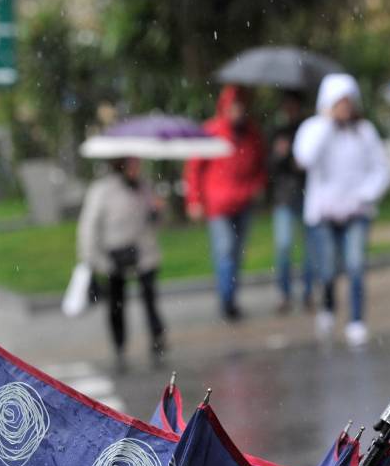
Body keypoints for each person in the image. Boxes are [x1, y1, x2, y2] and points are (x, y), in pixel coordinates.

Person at [294, 73, 390, 347]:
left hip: (356, 213)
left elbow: (380, 169)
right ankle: (327, 306)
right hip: (322, 215)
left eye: (348, 101)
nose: (345, 107)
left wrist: (365, 196)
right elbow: (305, 157)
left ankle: (357, 320)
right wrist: (326, 123)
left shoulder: (364, 131)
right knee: (327, 269)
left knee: (355, 265)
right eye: (339, 102)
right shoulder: (314, 129)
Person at [185, 85, 267, 321]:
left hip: (244, 203)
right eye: (233, 107)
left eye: (240, 108)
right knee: (225, 250)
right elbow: (194, 169)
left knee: (237, 253)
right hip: (218, 205)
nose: (237, 112)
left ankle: (231, 296)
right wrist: (194, 200)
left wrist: (256, 187)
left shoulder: (252, 134)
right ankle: (226, 300)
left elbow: (260, 166)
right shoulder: (212, 132)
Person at [77, 157, 166, 362]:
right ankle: (119, 343)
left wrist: (157, 210)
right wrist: (90, 256)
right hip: (114, 254)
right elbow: (89, 226)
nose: (137, 167)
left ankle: (157, 336)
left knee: (150, 296)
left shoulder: (145, 187)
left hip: (144, 251)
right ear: (120, 165)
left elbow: (155, 220)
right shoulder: (102, 190)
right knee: (116, 302)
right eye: (132, 163)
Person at [269, 90, 314, 313]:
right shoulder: (278, 132)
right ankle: (284, 293)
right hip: (284, 197)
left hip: (306, 194)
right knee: (284, 245)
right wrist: (279, 155)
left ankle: (308, 291)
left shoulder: (308, 129)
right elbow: (271, 167)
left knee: (308, 248)